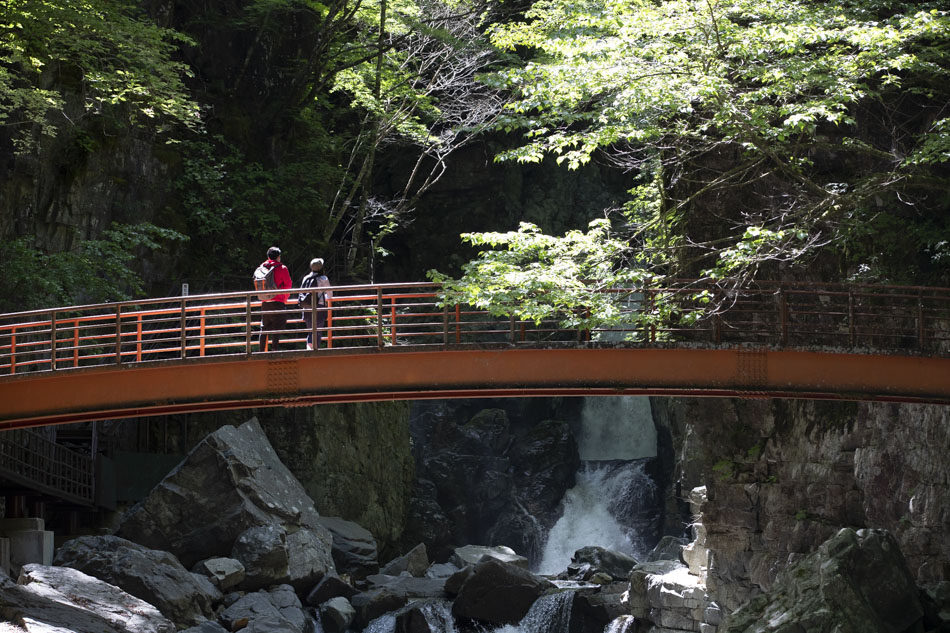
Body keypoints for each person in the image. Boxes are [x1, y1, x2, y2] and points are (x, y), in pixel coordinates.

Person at [257, 246, 293, 351]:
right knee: (278, 326)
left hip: (265, 302)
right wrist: (284, 298)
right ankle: (274, 350)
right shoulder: (282, 268)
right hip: (278, 301)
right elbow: (288, 285)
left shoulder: (261, 268)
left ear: (268, 256)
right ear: (278, 257)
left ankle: (261, 351)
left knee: (264, 327)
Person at [298, 258, 332, 350]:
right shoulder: (323, 279)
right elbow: (330, 295)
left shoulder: (306, 278)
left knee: (310, 331)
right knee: (317, 331)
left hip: (307, 307)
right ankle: (315, 352)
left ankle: (309, 349)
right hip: (319, 307)